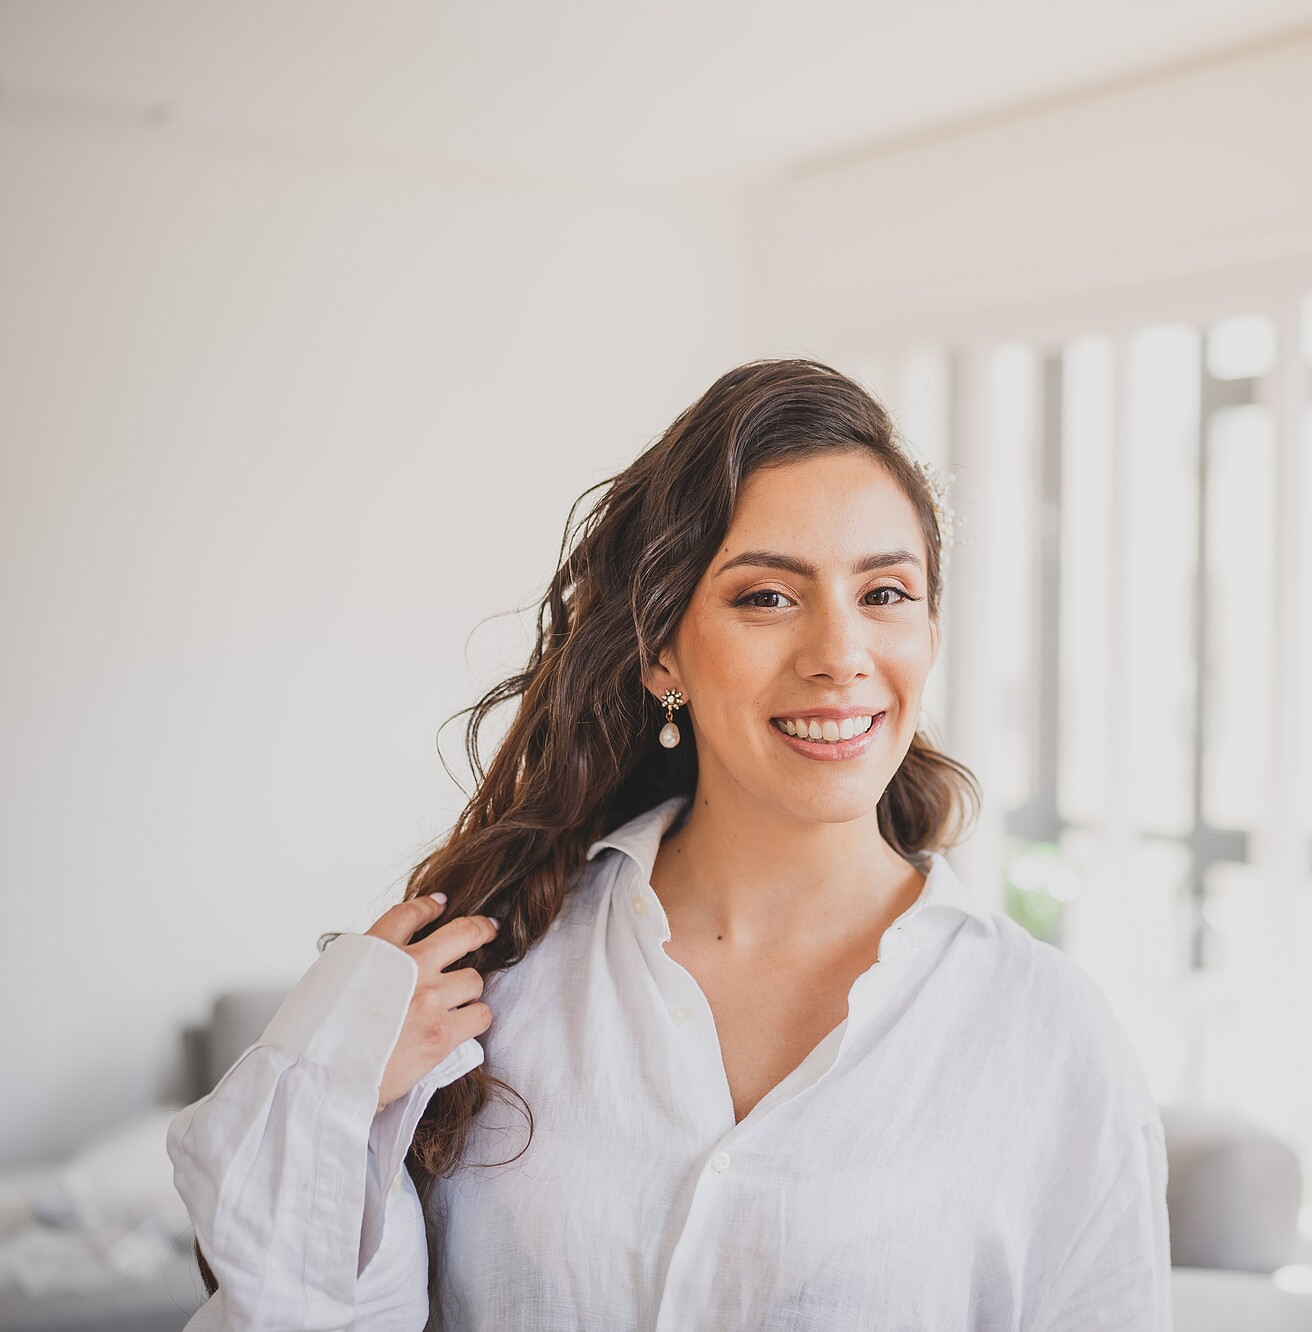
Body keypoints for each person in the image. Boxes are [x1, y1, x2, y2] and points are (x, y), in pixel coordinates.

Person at [165, 358, 1171, 1330]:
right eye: (767, 596)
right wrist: (328, 1088)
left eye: (884, 593)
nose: (838, 656)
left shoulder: (1044, 1036)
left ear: (931, 632)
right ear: (658, 653)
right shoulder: (497, 974)